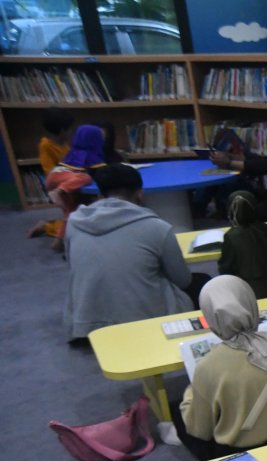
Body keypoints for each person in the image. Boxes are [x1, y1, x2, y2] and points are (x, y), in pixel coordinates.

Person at [173, 275, 267, 461]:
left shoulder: (207, 367)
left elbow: (200, 429)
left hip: (235, 454)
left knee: (177, 408)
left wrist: (191, 393)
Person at [63, 164, 204, 342]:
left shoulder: (74, 223)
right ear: (140, 194)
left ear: (100, 195)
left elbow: (72, 266)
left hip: (85, 325)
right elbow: (183, 280)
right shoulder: (157, 227)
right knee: (202, 283)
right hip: (143, 324)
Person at [44, 123, 107, 252]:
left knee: (72, 211)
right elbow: (101, 171)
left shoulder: (74, 152)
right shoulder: (89, 154)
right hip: (62, 181)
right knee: (86, 178)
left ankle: (59, 241)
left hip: (54, 176)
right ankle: (61, 190)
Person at [26, 107, 73, 241]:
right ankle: (46, 227)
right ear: (63, 130)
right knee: (72, 225)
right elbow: (50, 172)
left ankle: (52, 223)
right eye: (70, 129)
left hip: (70, 183)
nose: (71, 132)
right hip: (60, 188)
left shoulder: (64, 143)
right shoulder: (45, 145)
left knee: (74, 216)